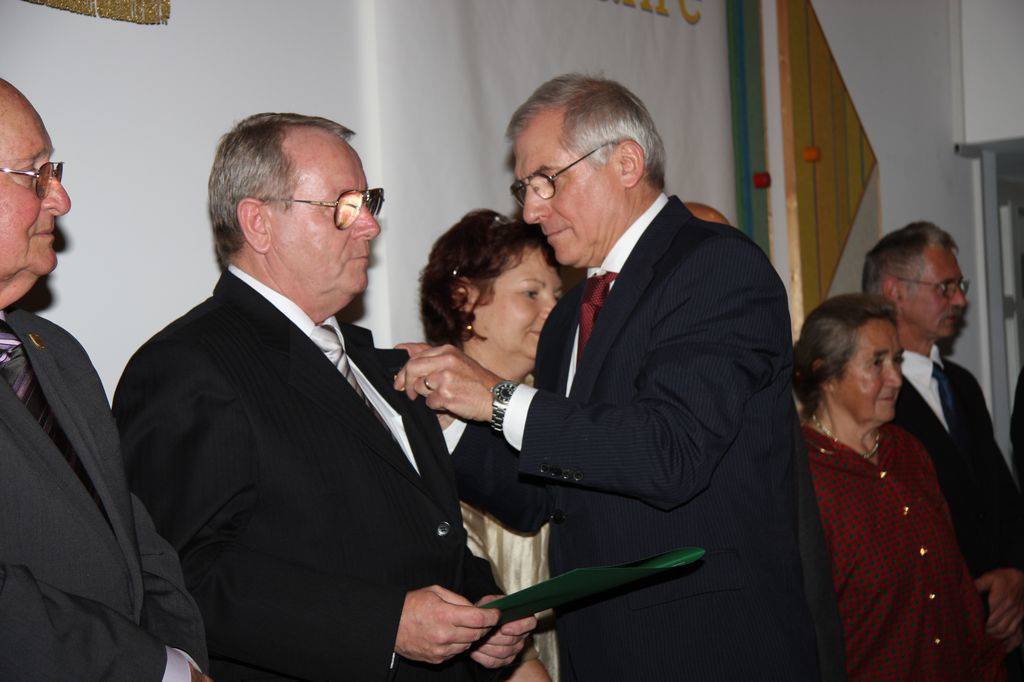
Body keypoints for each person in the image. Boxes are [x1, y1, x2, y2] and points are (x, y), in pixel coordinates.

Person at [396, 74, 818, 680]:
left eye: (547, 180)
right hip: (599, 650)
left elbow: (669, 453)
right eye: (524, 188)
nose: (531, 210)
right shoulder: (572, 312)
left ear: (625, 162)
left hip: (707, 649)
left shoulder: (715, 265)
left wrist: (495, 396)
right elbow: (546, 496)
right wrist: (447, 421)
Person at [112, 113, 535, 681]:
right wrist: (382, 625)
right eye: (344, 206)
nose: (370, 227)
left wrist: (482, 608)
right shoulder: (188, 366)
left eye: (369, 202)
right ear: (259, 223)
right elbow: (181, 579)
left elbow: (428, 533)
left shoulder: (376, 361)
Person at [0, 79, 208, 680]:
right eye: (35, 175)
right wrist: (153, 669)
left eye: (55, 172)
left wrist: (184, 658)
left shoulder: (55, 352)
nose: (61, 200)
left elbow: (135, 541)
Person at [794, 293, 1005, 680]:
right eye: (877, 363)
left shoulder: (907, 450)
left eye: (897, 360)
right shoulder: (803, 476)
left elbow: (955, 584)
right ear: (826, 376)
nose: (895, 378)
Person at [864, 222, 1024, 675]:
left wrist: (1016, 575)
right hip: (932, 632)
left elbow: (1002, 496)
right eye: (945, 288)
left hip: (1002, 626)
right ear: (895, 292)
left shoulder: (963, 384)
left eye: (960, 286)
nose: (960, 301)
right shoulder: (876, 400)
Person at [420, 209, 561, 681]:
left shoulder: (564, 410)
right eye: (531, 293)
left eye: (557, 294)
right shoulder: (424, 414)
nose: (553, 310)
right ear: (464, 299)